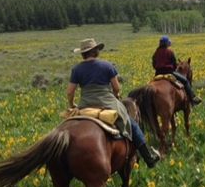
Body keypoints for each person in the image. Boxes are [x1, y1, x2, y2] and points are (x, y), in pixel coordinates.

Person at [67, 38, 160, 168]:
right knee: (131, 123)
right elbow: (117, 88)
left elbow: (70, 92)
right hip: (107, 102)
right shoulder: (107, 65)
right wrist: (116, 96)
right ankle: (148, 157)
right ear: (96, 51)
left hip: (85, 105)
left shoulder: (76, 69)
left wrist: (72, 105)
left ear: (83, 54)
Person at [152, 36, 202, 105]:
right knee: (185, 81)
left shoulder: (156, 52)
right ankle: (192, 99)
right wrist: (174, 68)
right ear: (167, 43)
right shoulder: (170, 51)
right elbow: (174, 64)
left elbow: (154, 64)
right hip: (169, 72)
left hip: (158, 73)